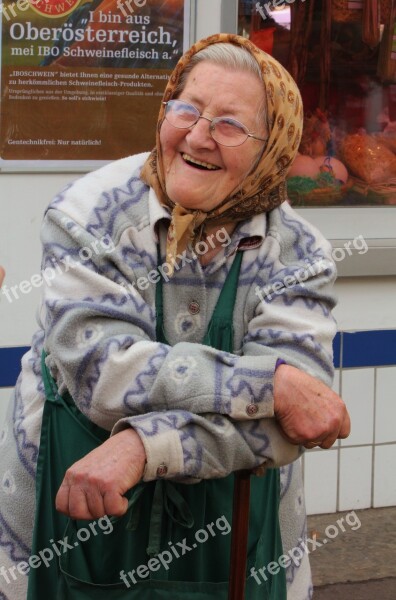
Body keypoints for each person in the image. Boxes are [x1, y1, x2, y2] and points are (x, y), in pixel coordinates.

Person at [0, 33, 350, 600]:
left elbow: (294, 423)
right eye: (186, 108)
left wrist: (142, 448)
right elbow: (104, 373)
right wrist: (269, 382)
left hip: (238, 536)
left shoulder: (298, 252)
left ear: (273, 148)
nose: (196, 135)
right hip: (70, 515)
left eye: (229, 124)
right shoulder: (88, 214)